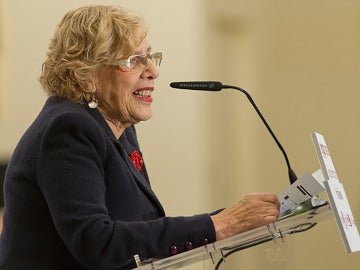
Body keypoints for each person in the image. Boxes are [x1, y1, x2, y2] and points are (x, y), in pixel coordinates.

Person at [0, 5, 280, 270]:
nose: (153, 71)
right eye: (134, 61)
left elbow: (141, 226)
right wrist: (219, 224)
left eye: (150, 56)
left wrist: (233, 220)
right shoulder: (69, 129)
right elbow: (96, 241)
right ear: (85, 76)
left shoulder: (117, 127)